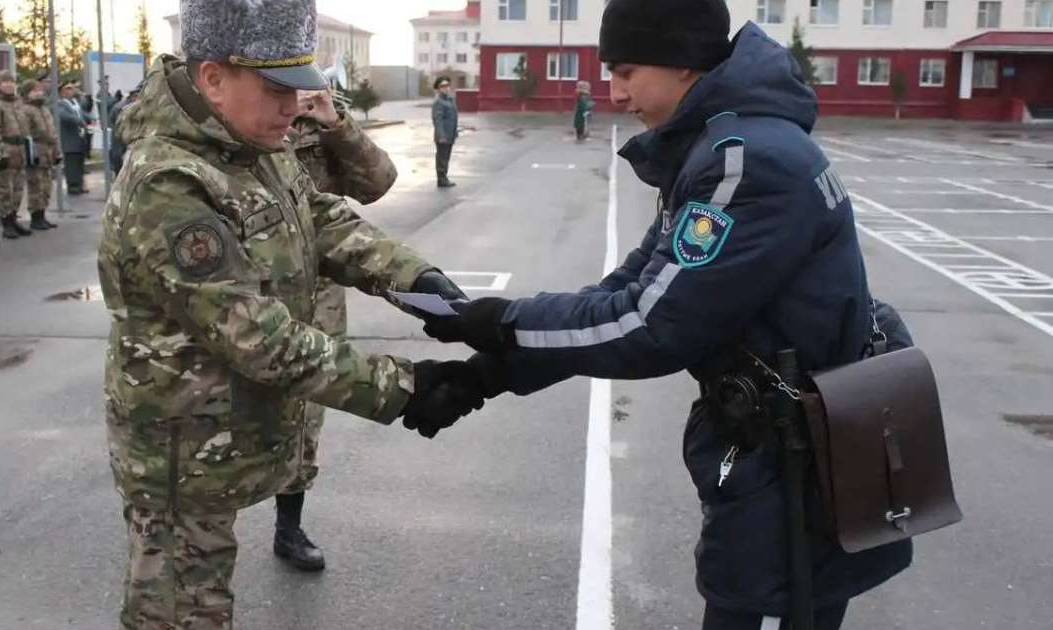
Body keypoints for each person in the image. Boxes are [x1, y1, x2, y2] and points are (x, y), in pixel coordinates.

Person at [421, 1, 913, 628]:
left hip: (799, 454)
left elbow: (652, 327)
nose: (614, 91)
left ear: (683, 63)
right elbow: (635, 285)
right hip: (786, 440)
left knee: (763, 606)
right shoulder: (722, 145)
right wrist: (488, 373)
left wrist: (503, 321)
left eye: (626, 70)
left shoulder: (744, 161)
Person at [97, 1, 479, 627]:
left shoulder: (252, 143)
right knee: (181, 613)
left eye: (298, 89)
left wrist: (415, 280)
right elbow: (254, 334)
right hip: (181, 453)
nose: (292, 107)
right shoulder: (167, 183)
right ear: (213, 78)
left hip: (227, 432)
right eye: (277, 89)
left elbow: (321, 219)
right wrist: (404, 389)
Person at [258, 86, 400, 571]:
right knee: (222, 411)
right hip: (243, 291)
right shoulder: (235, 106)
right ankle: (203, 533)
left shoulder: (322, 116)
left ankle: (288, 528)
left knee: (303, 413)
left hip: (314, 294)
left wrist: (337, 124)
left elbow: (378, 182)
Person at [0, 69, 31, 239]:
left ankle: (13, 217)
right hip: (5, 148)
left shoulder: (17, 101)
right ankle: (5, 221)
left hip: (19, 148)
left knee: (18, 188)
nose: (9, 85)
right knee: (5, 189)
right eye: (5, 81)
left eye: (12, 81)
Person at [18, 79, 60, 230]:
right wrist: (31, 154)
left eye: (39, 90)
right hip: (35, 150)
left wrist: (56, 150)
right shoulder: (26, 110)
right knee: (36, 185)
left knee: (46, 186)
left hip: (47, 151)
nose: (38, 93)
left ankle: (42, 214)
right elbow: (26, 134)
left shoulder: (44, 109)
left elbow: (52, 131)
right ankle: (35, 217)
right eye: (33, 91)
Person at [56, 82, 91, 195]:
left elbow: (83, 113)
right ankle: (73, 185)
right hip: (69, 139)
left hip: (80, 138)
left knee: (79, 162)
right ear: (62, 91)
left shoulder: (76, 103)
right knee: (71, 163)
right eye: (68, 88)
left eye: (72, 88)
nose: (71, 90)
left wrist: (89, 119)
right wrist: (80, 121)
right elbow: (64, 116)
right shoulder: (60, 104)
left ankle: (79, 183)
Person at [431, 75, 458, 188]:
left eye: (447, 85)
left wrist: (454, 132)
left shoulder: (450, 100)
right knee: (442, 158)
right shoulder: (439, 102)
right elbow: (438, 120)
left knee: (446, 157)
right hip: (443, 136)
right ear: (438, 88)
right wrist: (441, 135)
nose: (446, 88)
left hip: (450, 134)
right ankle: (441, 179)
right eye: (443, 86)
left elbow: (453, 118)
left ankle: (444, 178)